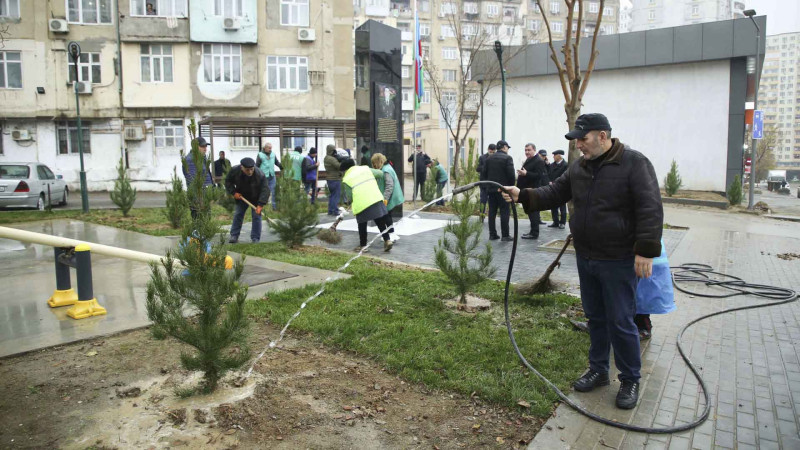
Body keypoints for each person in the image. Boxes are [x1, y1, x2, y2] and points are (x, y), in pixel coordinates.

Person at [500, 113, 663, 410]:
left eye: (583, 139)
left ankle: (630, 379)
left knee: (621, 321)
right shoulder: (580, 167)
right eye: (576, 140)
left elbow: (650, 207)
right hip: (586, 256)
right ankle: (598, 370)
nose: (579, 145)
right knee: (596, 318)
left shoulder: (634, 163)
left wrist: (646, 251)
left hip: (618, 259)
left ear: (602, 136)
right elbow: (554, 193)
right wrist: (522, 194)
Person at [341, 158, 394, 253]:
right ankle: (387, 240)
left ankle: (363, 245)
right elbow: (380, 173)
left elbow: (350, 196)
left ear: (345, 170)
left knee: (362, 224)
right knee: (380, 221)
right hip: (375, 197)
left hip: (361, 202)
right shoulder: (365, 169)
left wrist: (352, 201)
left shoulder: (346, 178)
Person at [225, 157, 269, 244]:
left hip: (256, 198)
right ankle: (234, 235)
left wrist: (260, 204)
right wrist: (234, 192)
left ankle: (255, 238)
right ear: (242, 167)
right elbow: (228, 182)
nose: (250, 172)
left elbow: (265, 190)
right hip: (242, 196)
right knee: (238, 214)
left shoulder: (260, 174)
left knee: (256, 216)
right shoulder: (235, 171)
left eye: (251, 169)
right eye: (247, 170)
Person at [482, 140, 515, 242]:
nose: (507, 150)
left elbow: (484, 174)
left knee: (492, 212)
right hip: (503, 190)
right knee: (504, 211)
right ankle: (505, 235)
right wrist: (510, 187)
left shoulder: (489, 158)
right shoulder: (508, 158)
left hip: (491, 190)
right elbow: (511, 175)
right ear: (504, 147)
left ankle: (492, 234)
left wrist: (487, 187)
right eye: (507, 148)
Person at [516, 143, 548, 239]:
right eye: (525, 150)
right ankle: (532, 231)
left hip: (533, 190)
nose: (527, 152)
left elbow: (539, 176)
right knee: (530, 212)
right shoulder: (529, 159)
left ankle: (534, 233)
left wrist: (526, 173)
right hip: (527, 190)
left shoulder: (538, 160)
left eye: (529, 150)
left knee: (533, 212)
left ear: (534, 150)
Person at [371, 153, 404, 242]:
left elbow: (389, 186)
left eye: (374, 163)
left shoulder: (386, 170)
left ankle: (391, 234)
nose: (373, 166)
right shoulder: (387, 167)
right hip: (391, 196)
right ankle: (391, 233)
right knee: (387, 215)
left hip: (389, 197)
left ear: (378, 162)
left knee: (386, 216)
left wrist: (385, 200)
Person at [182, 137, 214, 220]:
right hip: (199, 196)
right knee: (198, 220)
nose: (205, 149)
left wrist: (211, 191)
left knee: (206, 220)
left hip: (205, 194)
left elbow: (207, 175)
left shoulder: (202, 158)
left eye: (206, 146)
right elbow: (192, 181)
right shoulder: (190, 160)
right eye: (202, 146)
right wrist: (198, 199)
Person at [256, 143, 282, 210]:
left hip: (272, 175)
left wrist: (281, 167)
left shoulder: (273, 154)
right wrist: (257, 175)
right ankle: (262, 205)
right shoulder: (260, 155)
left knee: (273, 191)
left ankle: (274, 207)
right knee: (264, 191)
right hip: (264, 176)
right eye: (269, 148)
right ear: (265, 148)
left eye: (271, 148)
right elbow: (257, 166)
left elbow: (276, 162)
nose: (270, 149)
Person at [548, 149, 568, 229]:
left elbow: (565, 176)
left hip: (561, 188)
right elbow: (549, 174)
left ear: (559, 155)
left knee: (562, 206)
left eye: (555, 155)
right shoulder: (552, 165)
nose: (553, 157)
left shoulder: (565, 165)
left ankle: (562, 222)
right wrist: (549, 181)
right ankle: (555, 222)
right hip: (553, 188)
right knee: (553, 205)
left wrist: (556, 182)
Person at [476, 143, 497, 220]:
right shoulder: (482, 157)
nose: (492, 153)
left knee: (492, 202)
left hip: (493, 184)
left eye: (493, 152)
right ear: (488, 150)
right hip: (484, 183)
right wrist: (486, 166)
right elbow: (478, 169)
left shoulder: (496, 157)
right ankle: (481, 216)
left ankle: (491, 217)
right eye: (491, 151)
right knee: (483, 200)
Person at [324, 144, 343, 216]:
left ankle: (330, 210)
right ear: (331, 150)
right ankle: (335, 210)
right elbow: (339, 166)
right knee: (336, 196)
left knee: (332, 195)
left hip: (330, 179)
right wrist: (342, 161)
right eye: (334, 150)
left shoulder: (326, 158)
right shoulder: (332, 159)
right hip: (335, 179)